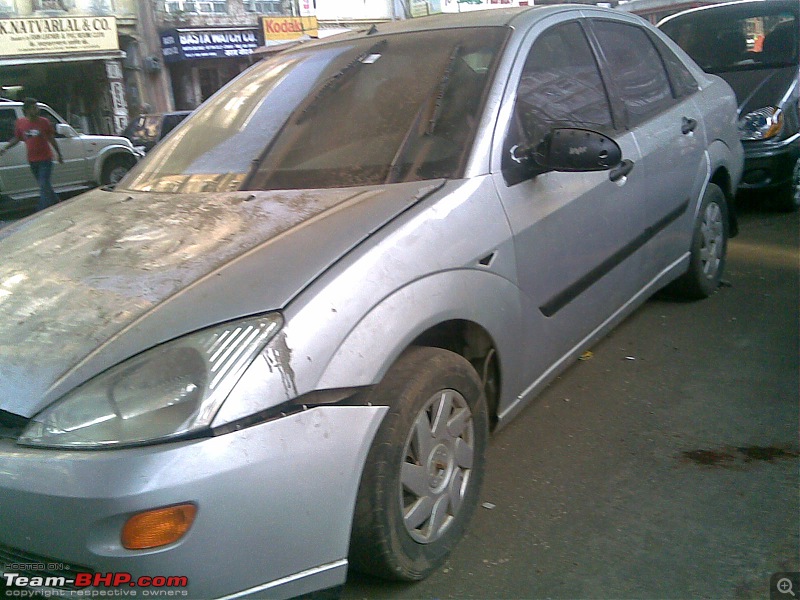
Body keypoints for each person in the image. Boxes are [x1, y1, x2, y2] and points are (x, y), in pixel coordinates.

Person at [0, 97, 63, 211]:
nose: (36, 110)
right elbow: (17, 138)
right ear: (27, 110)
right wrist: (5, 148)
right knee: (45, 186)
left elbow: (51, 139)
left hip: (45, 159)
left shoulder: (44, 122)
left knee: (44, 185)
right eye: (34, 108)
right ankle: (57, 203)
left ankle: (41, 211)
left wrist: (59, 154)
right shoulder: (21, 123)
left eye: (37, 107)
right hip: (32, 160)